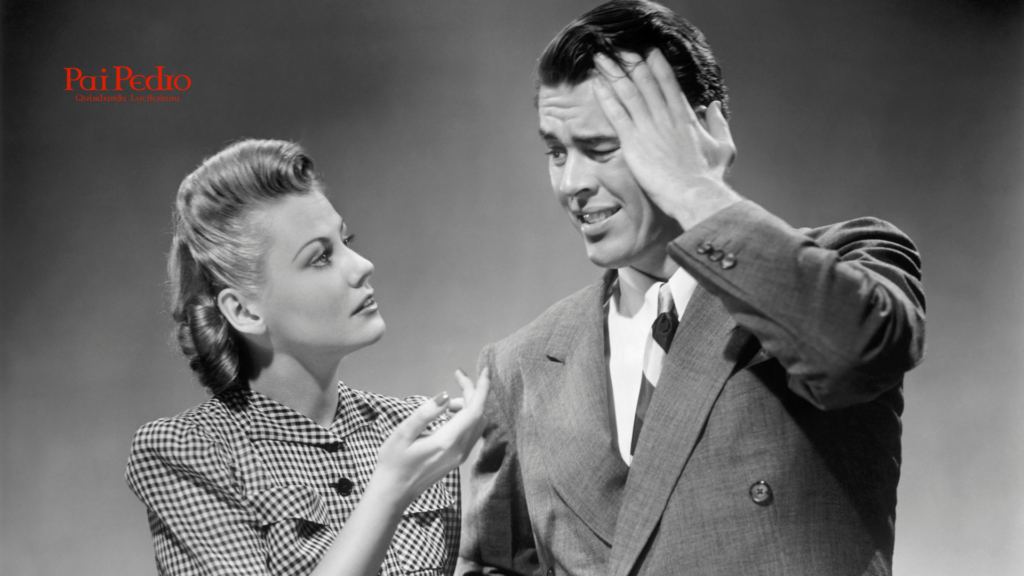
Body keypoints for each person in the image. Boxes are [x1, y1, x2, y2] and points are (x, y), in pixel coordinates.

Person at [458, 1, 925, 575]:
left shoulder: (845, 264)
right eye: (557, 152)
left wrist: (696, 190)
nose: (572, 183)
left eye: (602, 148)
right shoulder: (520, 368)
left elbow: (854, 354)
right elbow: (497, 567)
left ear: (704, 132)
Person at [125, 139, 489, 576]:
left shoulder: (420, 432)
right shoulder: (190, 452)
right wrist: (391, 489)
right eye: (320, 257)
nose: (362, 265)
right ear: (244, 311)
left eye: (346, 240)